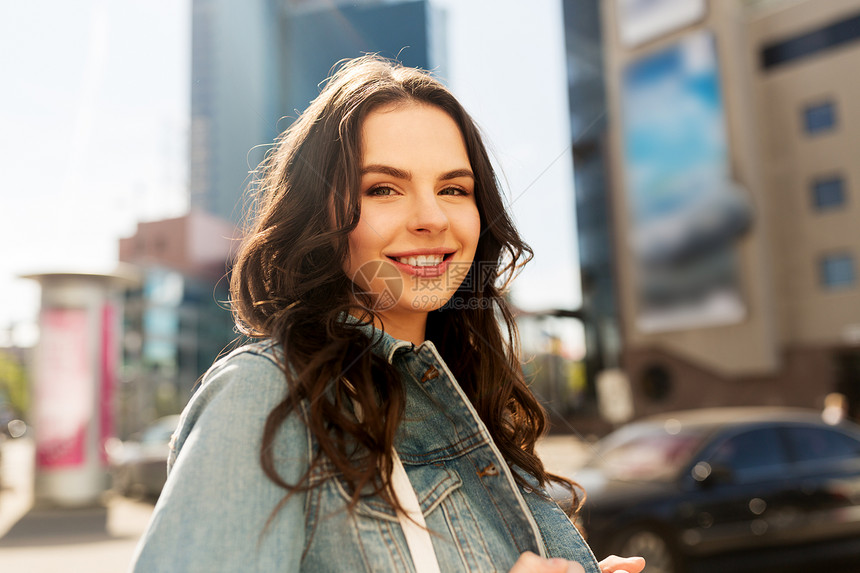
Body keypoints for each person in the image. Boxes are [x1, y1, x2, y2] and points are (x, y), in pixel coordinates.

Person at [130, 56, 644, 573]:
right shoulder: (267, 395)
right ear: (320, 215)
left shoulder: (471, 399)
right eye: (383, 189)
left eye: (454, 189)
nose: (431, 218)